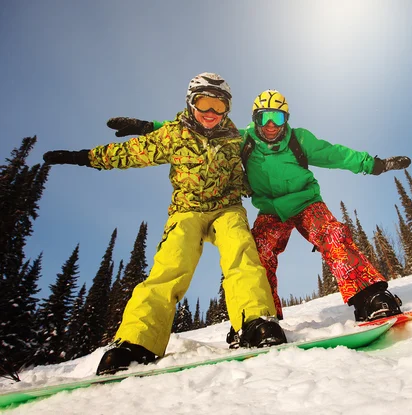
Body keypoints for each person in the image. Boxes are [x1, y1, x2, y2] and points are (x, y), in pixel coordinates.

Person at [108, 89, 411, 340]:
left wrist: (376, 164)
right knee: (257, 255)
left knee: (332, 234)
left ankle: (368, 296)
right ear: (254, 120)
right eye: (263, 117)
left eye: (276, 117)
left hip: (306, 203)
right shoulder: (242, 140)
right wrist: (149, 127)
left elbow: (337, 154)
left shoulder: (299, 139)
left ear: (285, 119)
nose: (270, 124)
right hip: (270, 211)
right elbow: (198, 132)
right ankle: (258, 318)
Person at [42, 74, 286, 375]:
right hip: (187, 210)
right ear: (190, 103)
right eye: (203, 103)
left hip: (227, 208)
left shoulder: (236, 138)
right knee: (171, 264)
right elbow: (130, 153)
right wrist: (83, 157)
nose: (210, 113)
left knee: (241, 253)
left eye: (218, 105)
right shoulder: (174, 135)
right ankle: (137, 341)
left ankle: (254, 322)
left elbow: (262, 158)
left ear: (227, 109)